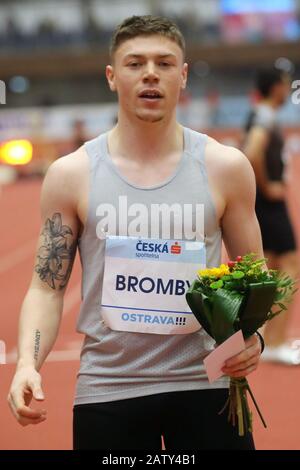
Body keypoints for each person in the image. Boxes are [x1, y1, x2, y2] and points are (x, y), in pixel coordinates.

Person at [8, 15, 264, 450]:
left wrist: (254, 336)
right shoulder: (72, 174)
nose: (150, 73)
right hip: (109, 391)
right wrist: (27, 363)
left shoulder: (225, 167)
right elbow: (47, 288)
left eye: (164, 63)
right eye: (135, 63)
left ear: (183, 77)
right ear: (112, 77)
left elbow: (254, 277)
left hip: (208, 387)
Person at [243, 68, 300, 365]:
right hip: (269, 204)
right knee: (291, 264)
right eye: (285, 84)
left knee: (272, 266)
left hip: (262, 204)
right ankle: (276, 342)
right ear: (275, 87)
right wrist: (268, 187)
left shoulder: (261, 113)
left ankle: (265, 333)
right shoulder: (264, 116)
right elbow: (252, 152)